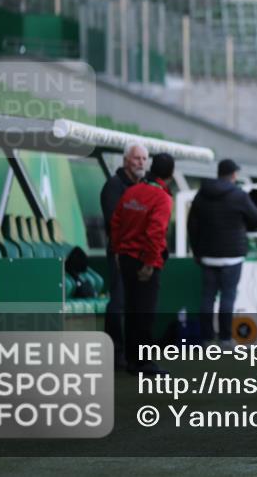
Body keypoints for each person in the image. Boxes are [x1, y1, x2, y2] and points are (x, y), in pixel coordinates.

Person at [111, 152, 174, 375]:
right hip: (145, 261)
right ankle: (144, 363)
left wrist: (118, 252)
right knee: (145, 313)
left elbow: (116, 222)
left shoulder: (131, 191)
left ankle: (131, 360)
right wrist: (149, 263)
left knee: (131, 310)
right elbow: (155, 233)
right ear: (171, 174)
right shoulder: (162, 198)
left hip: (126, 258)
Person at [188, 158, 257, 348]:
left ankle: (206, 339)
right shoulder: (239, 195)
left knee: (207, 296)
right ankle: (226, 339)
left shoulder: (202, 194)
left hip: (208, 255)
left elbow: (192, 225)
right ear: (233, 175)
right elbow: (255, 217)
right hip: (232, 255)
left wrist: (197, 251)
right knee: (228, 297)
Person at [100, 142, 148, 369]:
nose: (141, 163)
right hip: (121, 252)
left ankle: (133, 353)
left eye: (144, 159)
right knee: (118, 302)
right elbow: (114, 222)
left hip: (141, 252)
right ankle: (114, 353)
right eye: (137, 158)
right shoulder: (114, 186)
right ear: (126, 160)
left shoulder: (144, 186)